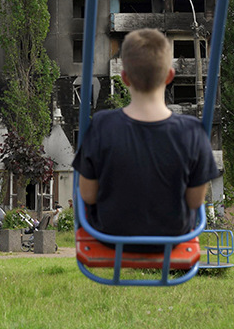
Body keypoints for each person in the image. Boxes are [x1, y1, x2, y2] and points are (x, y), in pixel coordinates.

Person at [72, 28, 219, 252]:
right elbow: (195, 201)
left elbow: (88, 195)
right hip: (172, 236)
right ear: (170, 76)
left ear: (124, 79)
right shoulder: (193, 131)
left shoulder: (101, 125)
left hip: (109, 235)